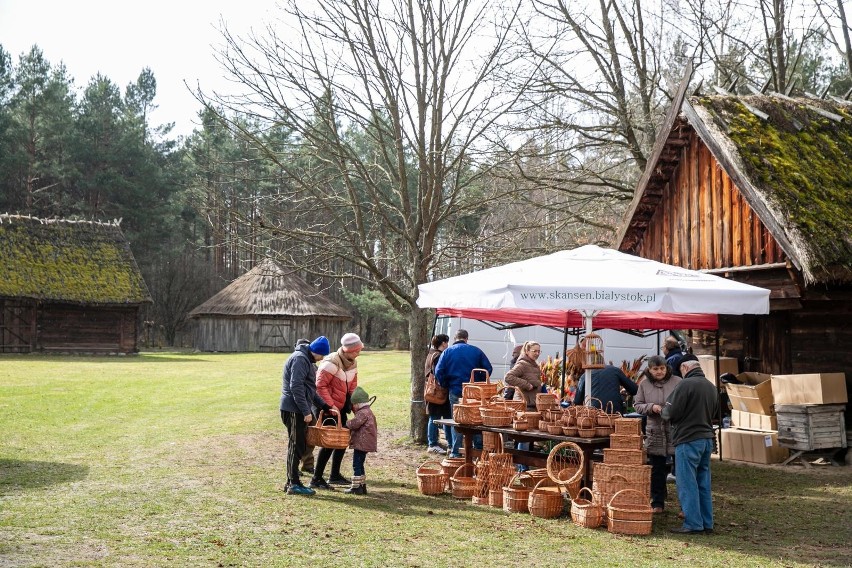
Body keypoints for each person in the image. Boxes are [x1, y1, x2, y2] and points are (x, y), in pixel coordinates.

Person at [662, 354, 720, 534]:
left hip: (688, 439)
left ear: (685, 368)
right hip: (706, 439)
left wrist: (664, 410)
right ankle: (706, 523)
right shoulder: (711, 387)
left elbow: (668, 412)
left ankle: (693, 523)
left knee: (687, 483)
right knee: (703, 483)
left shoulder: (685, 385)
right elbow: (716, 412)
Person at [279, 336, 333, 496]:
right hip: (294, 409)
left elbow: (309, 389)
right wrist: (306, 411)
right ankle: (293, 483)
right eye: (322, 355)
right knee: (296, 446)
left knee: (299, 445)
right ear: (315, 351)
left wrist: (324, 406)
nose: (322, 359)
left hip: (297, 408)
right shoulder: (300, 359)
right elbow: (295, 387)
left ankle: (291, 481)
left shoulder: (306, 360)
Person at [310, 333, 362, 490]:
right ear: (348, 350)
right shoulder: (331, 363)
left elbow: (352, 388)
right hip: (324, 407)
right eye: (356, 350)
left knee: (343, 437)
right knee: (329, 442)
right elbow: (320, 386)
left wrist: (357, 408)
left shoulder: (352, 363)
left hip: (339, 407)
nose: (359, 353)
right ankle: (316, 479)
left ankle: (334, 475)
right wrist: (330, 406)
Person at [633, 355, 681, 513]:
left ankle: (684, 505)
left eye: (662, 368)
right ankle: (657, 503)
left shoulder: (678, 382)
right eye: (656, 369)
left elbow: (684, 402)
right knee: (657, 469)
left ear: (666, 368)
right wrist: (652, 407)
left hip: (675, 429)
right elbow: (637, 405)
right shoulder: (644, 384)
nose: (659, 372)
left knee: (681, 469)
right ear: (649, 370)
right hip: (655, 430)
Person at [434, 329, 492, 459]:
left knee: (458, 420)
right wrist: (478, 382)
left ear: (455, 339)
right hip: (474, 392)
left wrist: (445, 383)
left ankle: (456, 452)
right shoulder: (476, 351)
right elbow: (488, 369)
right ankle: (478, 450)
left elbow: (439, 371)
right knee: (476, 419)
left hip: (455, 390)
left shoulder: (447, 352)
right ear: (466, 338)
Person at [345, 386, 377, 495]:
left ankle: (356, 487)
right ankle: (362, 486)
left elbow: (355, 424)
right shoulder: (368, 411)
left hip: (361, 443)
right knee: (360, 464)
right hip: (366, 443)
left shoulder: (362, 413)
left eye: (354, 404)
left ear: (358, 403)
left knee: (357, 464)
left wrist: (347, 423)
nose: (353, 406)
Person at [572, 364, 638, 415]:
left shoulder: (585, 375)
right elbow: (634, 389)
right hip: (615, 413)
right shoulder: (615, 370)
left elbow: (577, 401)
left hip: (593, 414)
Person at [425, 334, 452, 454]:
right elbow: (438, 374)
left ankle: (447, 442)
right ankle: (433, 444)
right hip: (438, 391)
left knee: (437, 417)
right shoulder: (438, 356)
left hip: (434, 391)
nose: (447, 344)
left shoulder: (431, 353)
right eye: (447, 342)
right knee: (436, 418)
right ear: (443, 343)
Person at [294, 338, 317, 475]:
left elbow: (313, 388)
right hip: (299, 407)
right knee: (297, 438)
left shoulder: (312, 364)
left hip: (310, 404)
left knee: (311, 435)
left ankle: (308, 464)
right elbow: (296, 387)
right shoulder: (298, 361)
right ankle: (295, 467)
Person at [504, 341, 543, 410]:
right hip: (523, 405)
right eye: (534, 351)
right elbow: (508, 377)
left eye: (539, 351)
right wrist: (527, 385)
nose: (537, 354)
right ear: (527, 351)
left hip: (532, 405)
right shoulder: (522, 364)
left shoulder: (535, 365)